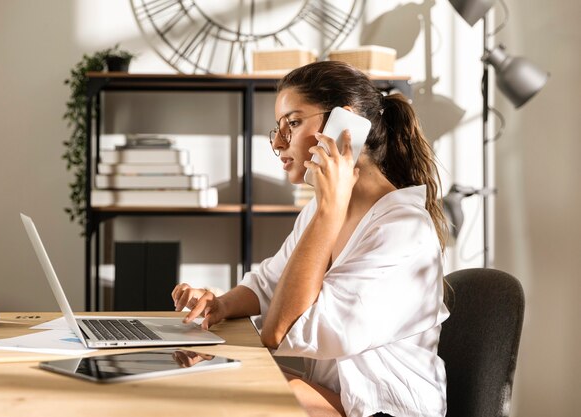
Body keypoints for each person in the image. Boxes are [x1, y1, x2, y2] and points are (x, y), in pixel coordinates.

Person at [172, 61, 450, 417]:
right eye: (278, 127)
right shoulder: (319, 212)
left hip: (386, 410)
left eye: (293, 122)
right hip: (337, 399)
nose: (277, 142)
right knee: (212, 376)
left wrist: (329, 212)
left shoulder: (402, 230)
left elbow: (281, 330)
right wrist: (221, 305)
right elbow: (270, 284)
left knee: (245, 389)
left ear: (344, 126)